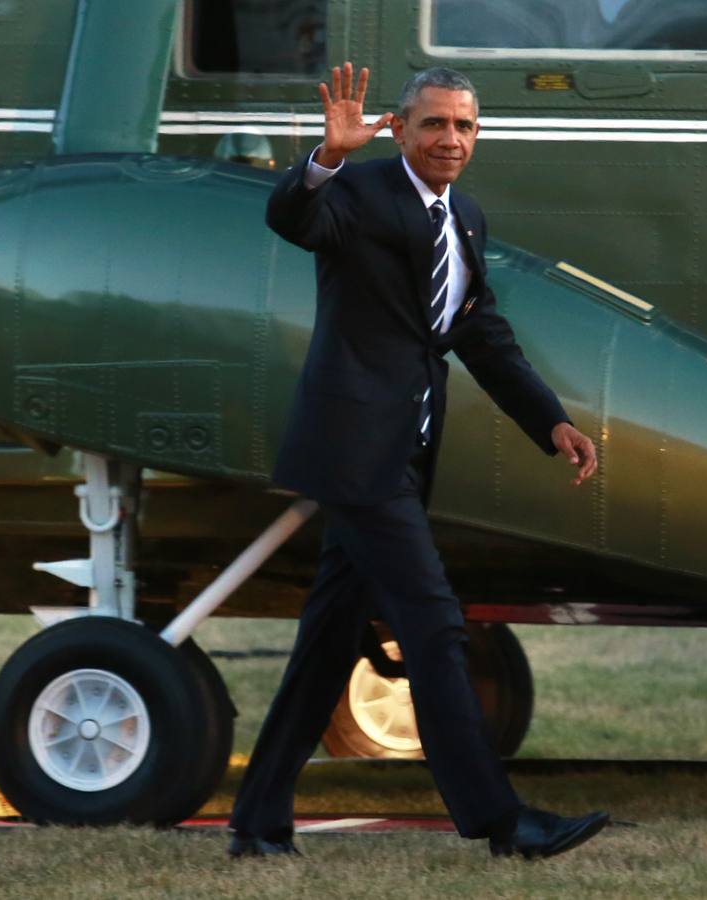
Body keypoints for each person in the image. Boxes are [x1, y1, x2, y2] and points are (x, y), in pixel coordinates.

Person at [228, 62, 608, 860]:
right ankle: (502, 823)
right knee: (433, 626)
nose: (449, 139)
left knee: (328, 645)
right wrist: (325, 158)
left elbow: (479, 333)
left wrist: (551, 424)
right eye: (433, 123)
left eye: (464, 126)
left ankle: (256, 824)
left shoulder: (462, 215)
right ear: (398, 129)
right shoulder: (357, 195)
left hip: (403, 452)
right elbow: (292, 220)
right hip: (354, 453)